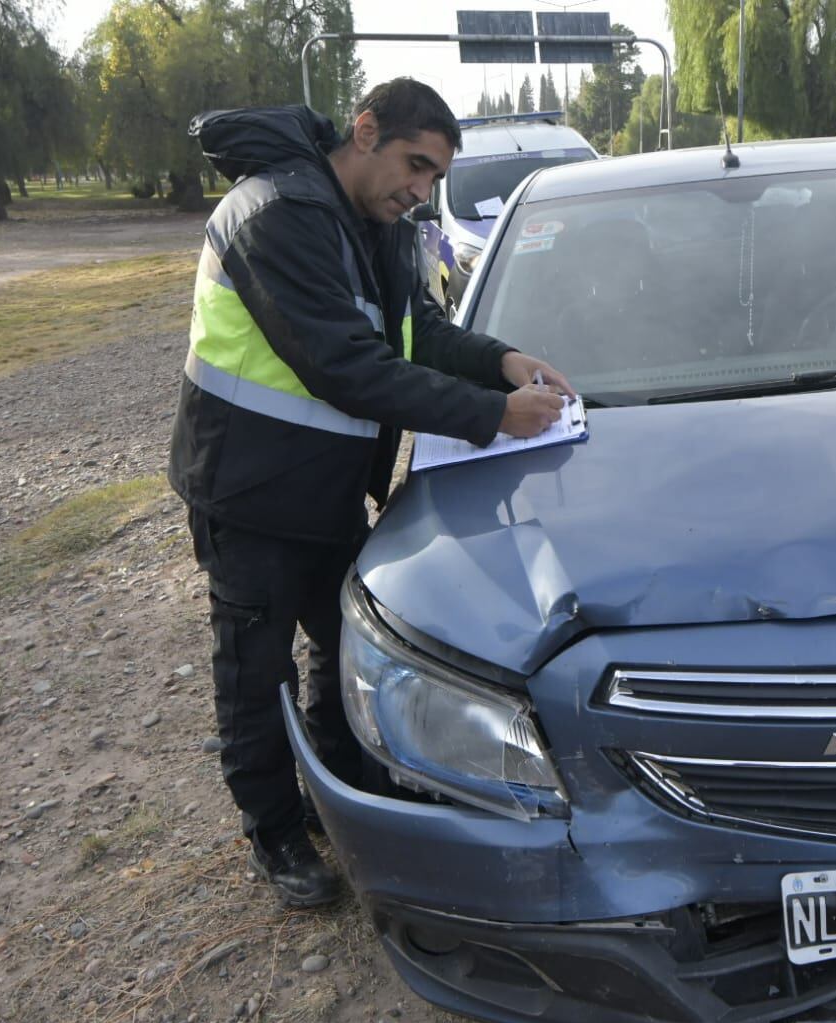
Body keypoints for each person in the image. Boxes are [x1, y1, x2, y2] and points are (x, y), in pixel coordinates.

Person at [169, 79, 573, 908]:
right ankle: (275, 831)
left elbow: (418, 331)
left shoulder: (379, 222)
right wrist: (494, 413)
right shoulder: (274, 213)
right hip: (246, 491)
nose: (420, 191)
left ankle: (342, 785)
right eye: (414, 167)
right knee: (255, 669)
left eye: (433, 180)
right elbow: (346, 365)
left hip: (323, 491)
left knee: (344, 648)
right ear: (363, 131)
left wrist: (500, 359)